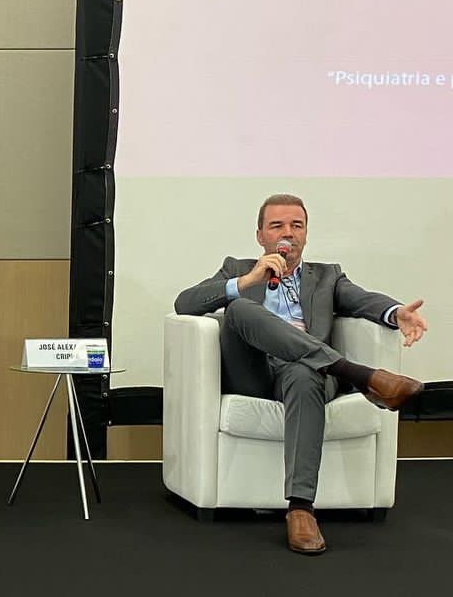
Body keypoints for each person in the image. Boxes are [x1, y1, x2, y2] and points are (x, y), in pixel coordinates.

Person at [174, 193, 426, 554]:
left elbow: (363, 300)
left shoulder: (326, 276)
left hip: (304, 374)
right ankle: (360, 375)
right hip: (254, 373)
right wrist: (246, 281)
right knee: (240, 309)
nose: (288, 233)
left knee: (305, 374)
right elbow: (184, 303)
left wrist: (396, 312)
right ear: (261, 235)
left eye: (297, 225)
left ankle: (301, 510)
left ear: (306, 234)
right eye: (277, 226)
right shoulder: (238, 268)